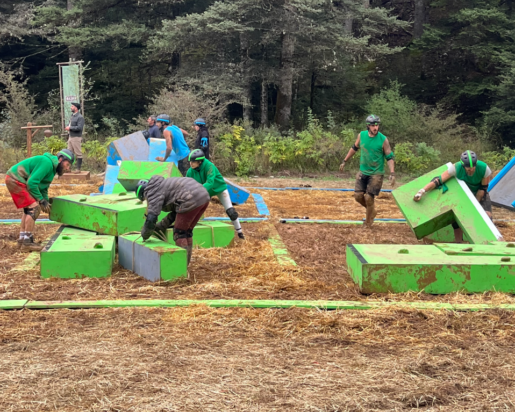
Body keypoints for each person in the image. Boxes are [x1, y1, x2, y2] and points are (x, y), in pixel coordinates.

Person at [413, 150, 493, 242]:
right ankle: (458, 242)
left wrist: (475, 205)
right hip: (463, 192)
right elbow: (438, 180)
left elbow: (483, 189)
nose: (471, 170)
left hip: (479, 192)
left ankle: (487, 241)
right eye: (468, 169)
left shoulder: (484, 169)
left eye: (473, 168)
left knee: (487, 215)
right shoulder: (456, 168)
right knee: (457, 217)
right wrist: (422, 191)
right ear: (463, 166)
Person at [136, 176, 210, 272]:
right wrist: (161, 226)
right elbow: (177, 212)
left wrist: (145, 235)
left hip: (190, 198)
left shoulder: (152, 192)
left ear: (143, 193)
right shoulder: (161, 185)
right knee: (187, 232)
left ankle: (180, 268)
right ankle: (185, 265)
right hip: (203, 196)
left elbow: (151, 219)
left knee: (179, 233)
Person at [5, 149, 75, 251]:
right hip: (15, 179)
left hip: (15, 178)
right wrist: (41, 201)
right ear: (60, 159)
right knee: (34, 208)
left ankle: (22, 240)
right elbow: (32, 183)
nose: (68, 169)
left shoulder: (52, 169)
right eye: (67, 164)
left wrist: (46, 202)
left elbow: (43, 188)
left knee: (28, 209)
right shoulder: (46, 163)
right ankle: (27, 243)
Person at [339, 114, 395, 228]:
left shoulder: (383, 139)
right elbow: (354, 148)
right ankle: (372, 211)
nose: (375, 128)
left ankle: (368, 223)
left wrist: (392, 173)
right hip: (363, 171)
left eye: (377, 125)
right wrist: (344, 161)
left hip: (376, 173)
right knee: (358, 196)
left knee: (369, 198)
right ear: (368, 126)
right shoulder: (362, 135)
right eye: (373, 125)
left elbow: (389, 156)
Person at [186, 149, 245, 239]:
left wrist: (198, 191)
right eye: (190, 161)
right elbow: (187, 184)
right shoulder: (190, 172)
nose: (191, 163)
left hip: (219, 188)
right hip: (205, 191)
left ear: (200, 162)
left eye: (193, 162)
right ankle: (189, 230)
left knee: (231, 212)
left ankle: (240, 233)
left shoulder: (209, 166)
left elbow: (210, 182)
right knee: (194, 209)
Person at [65, 102, 84, 173]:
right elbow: (70, 124)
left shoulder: (80, 117)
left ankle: (78, 169)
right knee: (69, 153)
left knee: (78, 153)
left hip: (76, 137)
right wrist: (68, 127)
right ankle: (68, 168)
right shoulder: (72, 116)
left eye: (72, 106)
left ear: (76, 108)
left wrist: (70, 128)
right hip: (70, 136)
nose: (71, 107)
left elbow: (79, 128)